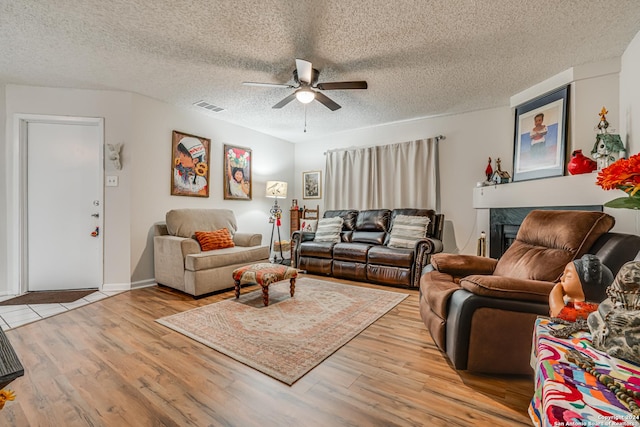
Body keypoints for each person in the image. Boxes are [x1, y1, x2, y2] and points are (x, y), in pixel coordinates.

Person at [548, 254, 613, 322]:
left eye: (569, 276)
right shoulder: (570, 300)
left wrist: (555, 292)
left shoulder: (590, 310)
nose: (562, 278)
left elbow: (560, 313)